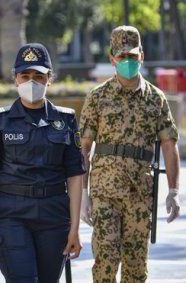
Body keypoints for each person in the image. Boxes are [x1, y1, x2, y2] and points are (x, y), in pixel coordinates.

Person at [79, 25, 181, 282]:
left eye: (132, 56)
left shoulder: (155, 99)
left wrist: (173, 191)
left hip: (140, 193)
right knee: (106, 260)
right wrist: (81, 195)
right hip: (104, 193)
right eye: (122, 56)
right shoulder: (97, 97)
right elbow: (83, 148)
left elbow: (169, 144)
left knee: (136, 269)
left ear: (142, 56)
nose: (127, 61)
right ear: (112, 58)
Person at [0, 43, 85, 282]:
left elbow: (75, 175)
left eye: (38, 76)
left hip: (54, 214)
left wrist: (75, 228)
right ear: (15, 79)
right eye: (25, 75)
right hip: (11, 214)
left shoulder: (65, 120)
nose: (31, 81)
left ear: (49, 79)